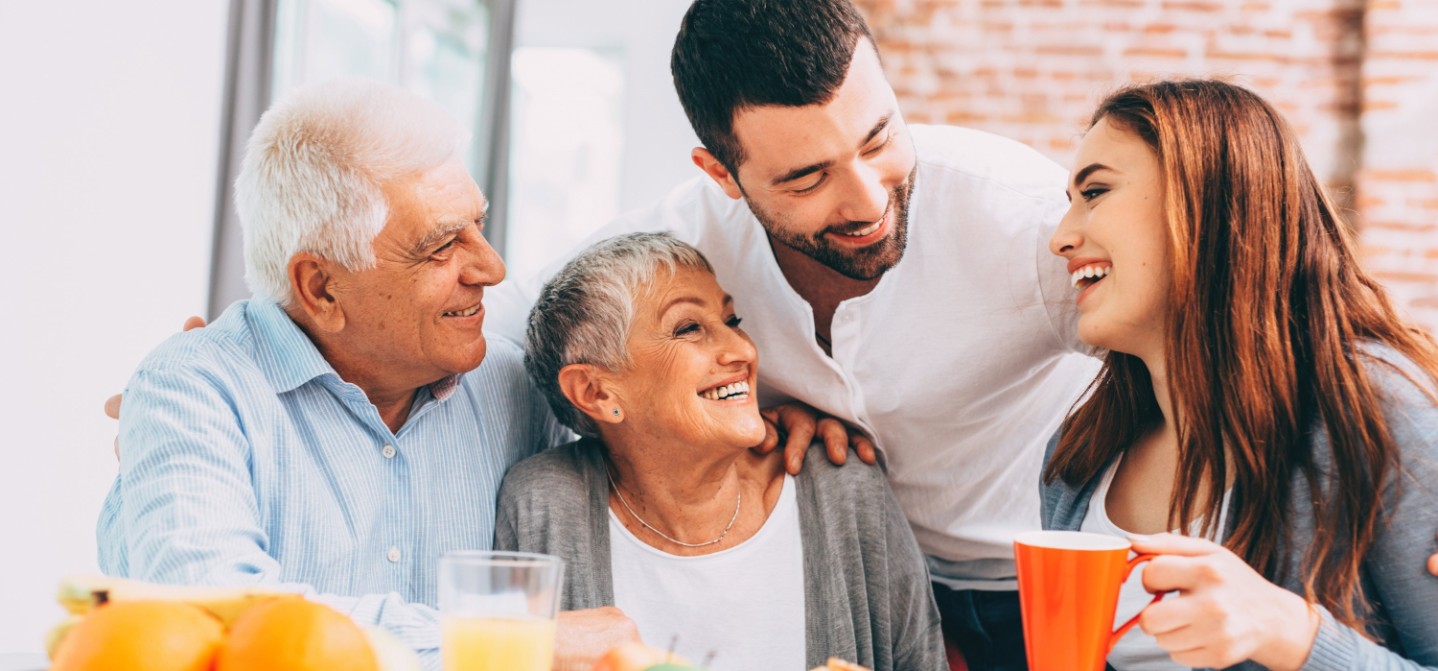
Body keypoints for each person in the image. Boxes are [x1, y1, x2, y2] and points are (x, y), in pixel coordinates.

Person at [479, 1, 1093, 666]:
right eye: (807, 177)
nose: (866, 200)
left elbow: (1192, 341)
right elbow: (497, 333)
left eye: (879, 139)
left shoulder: (1021, 219)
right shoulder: (691, 240)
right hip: (883, 577)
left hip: (1046, 578)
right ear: (721, 175)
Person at [95, 79, 639, 671]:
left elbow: (645, 495)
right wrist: (514, 644)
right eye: (441, 247)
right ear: (321, 287)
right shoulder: (194, 390)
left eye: (478, 226)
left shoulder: (514, 386)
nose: (491, 266)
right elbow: (220, 618)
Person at [1043, 79, 1438, 670]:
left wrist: (1293, 634)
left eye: (1094, 192)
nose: (1061, 237)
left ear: (1205, 202)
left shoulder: (1370, 413)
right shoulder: (1079, 457)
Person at [495, 232, 946, 671]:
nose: (741, 349)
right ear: (595, 392)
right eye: (689, 328)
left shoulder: (840, 484)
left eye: (732, 322)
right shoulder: (544, 503)